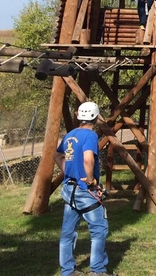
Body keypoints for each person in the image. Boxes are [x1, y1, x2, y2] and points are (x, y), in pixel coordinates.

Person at [55, 101, 114, 276]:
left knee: (68, 232)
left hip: (70, 190)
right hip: (84, 190)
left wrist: (69, 170)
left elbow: (57, 155)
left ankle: (68, 270)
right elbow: (88, 159)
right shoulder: (91, 136)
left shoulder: (70, 134)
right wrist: (90, 180)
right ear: (95, 118)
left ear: (78, 116)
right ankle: (98, 270)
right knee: (99, 229)